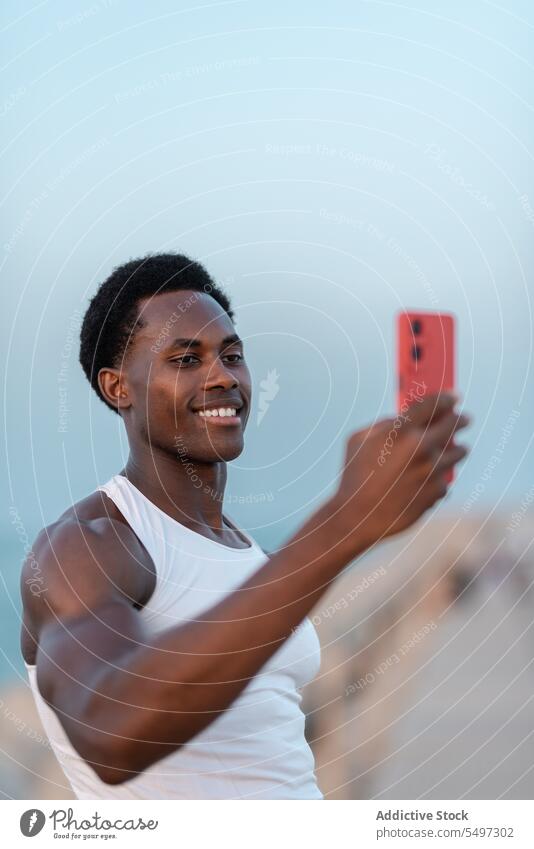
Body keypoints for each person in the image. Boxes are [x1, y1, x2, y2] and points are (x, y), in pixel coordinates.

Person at [20, 253, 470, 799]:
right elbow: (111, 733)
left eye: (232, 355)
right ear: (119, 388)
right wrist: (345, 522)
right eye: (186, 359)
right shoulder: (87, 544)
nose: (222, 376)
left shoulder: (241, 549)